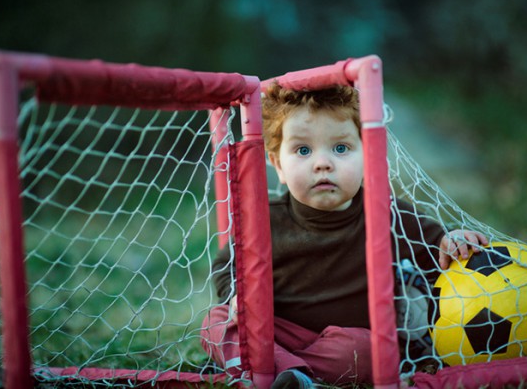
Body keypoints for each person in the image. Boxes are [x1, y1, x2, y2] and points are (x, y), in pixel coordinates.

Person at [201, 83, 488, 388]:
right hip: (278, 332)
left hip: (347, 341)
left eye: (341, 148)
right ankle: (285, 370)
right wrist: (236, 297)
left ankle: (283, 374)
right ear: (278, 165)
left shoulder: (386, 214)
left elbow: (435, 244)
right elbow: (226, 265)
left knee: (368, 352)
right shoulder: (265, 220)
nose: (323, 163)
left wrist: (453, 239)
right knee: (214, 322)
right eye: (303, 150)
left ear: (367, 156)